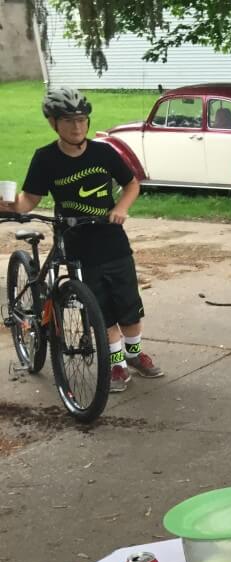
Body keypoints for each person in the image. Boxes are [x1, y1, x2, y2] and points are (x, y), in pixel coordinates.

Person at [0, 87, 163, 392]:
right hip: (76, 242)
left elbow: (131, 184)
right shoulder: (45, 159)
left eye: (82, 120)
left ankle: (135, 354)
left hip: (112, 239)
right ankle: (116, 365)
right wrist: (9, 206)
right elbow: (28, 201)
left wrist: (120, 208)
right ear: (53, 122)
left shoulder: (103, 152)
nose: (77, 127)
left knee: (128, 304)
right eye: (68, 121)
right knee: (100, 306)